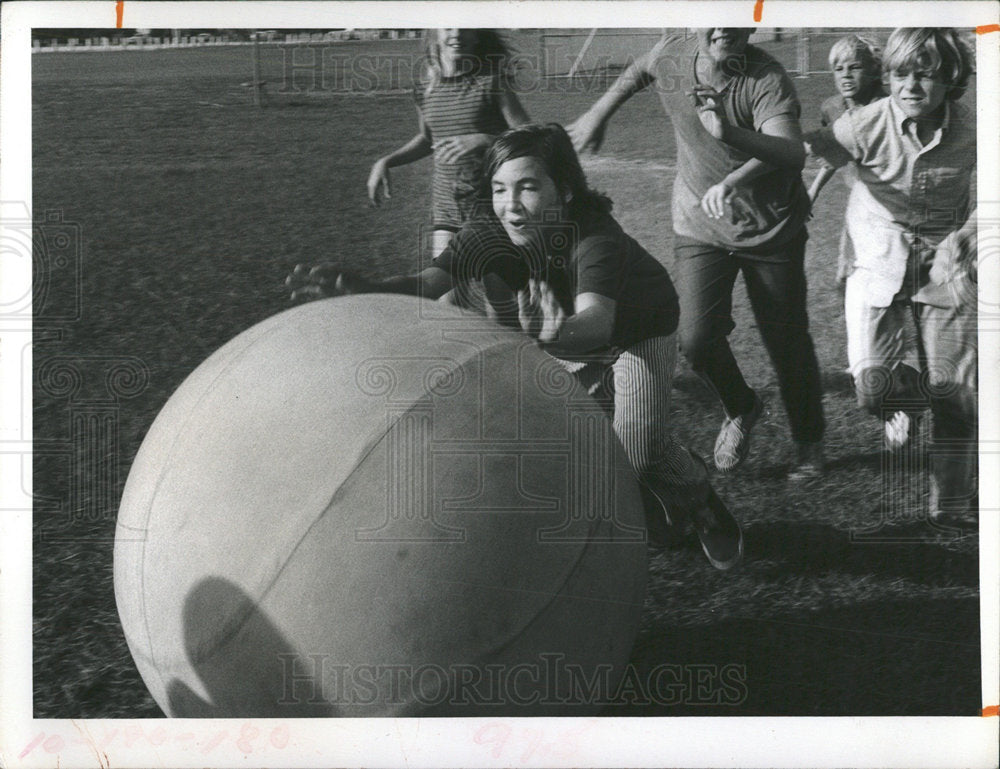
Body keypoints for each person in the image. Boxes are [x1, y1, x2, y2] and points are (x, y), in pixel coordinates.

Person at [289, 123, 744, 570]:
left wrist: (547, 333)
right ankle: (649, 495)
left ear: (565, 190)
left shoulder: (594, 237)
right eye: (499, 189)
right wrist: (367, 287)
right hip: (555, 332)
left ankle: (699, 496)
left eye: (527, 187)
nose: (511, 206)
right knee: (587, 452)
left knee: (636, 454)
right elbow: (428, 283)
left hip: (636, 332)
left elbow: (596, 324)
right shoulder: (488, 231)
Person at [569, 29, 826, 481]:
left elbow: (790, 150)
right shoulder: (672, 52)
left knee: (786, 343)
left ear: (752, 25)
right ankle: (742, 406)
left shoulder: (766, 78)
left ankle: (809, 445)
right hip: (699, 224)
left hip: (772, 230)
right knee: (694, 337)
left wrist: (730, 147)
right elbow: (639, 69)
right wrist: (597, 114)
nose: (724, 26)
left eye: (737, 16)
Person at [804, 28, 977, 526]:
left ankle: (952, 503)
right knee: (873, 391)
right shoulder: (864, 123)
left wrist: (964, 238)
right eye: (901, 74)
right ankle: (927, 395)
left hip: (949, 265)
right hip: (881, 259)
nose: (911, 86)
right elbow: (810, 152)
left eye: (926, 74)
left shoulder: (979, 127)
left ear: (951, 78)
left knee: (956, 390)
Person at [367, 28, 530, 258]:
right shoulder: (425, 90)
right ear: (434, 34)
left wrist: (485, 139)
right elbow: (428, 139)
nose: (457, 33)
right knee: (441, 287)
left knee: (500, 291)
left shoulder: (492, 82)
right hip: (446, 209)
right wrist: (386, 161)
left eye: (465, 27)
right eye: (448, 27)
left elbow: (529, 136)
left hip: (492, 207)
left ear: (477, 36)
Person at [806, 34, 887, 286]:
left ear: (875, 69)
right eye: (838, 69)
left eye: (855, 67)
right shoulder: (832, 107)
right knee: (849, 276)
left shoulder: (888, 106)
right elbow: (836, 154)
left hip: (893, 205)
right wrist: (813, 191)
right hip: (861, 205)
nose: (845, 75)